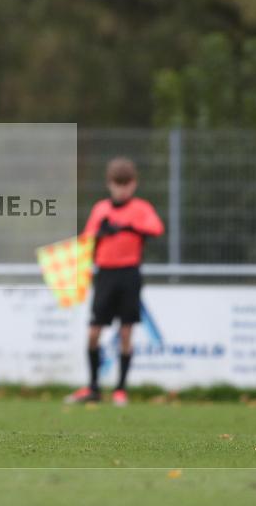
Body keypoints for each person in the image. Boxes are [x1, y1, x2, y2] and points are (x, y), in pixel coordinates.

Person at [66, 157, 164, 406]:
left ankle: (120, 389)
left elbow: (156, 228)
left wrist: (130, 226)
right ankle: (93, 387)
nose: (122, 189)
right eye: (117, 184)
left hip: (129, 274)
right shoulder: (101, 209)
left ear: (134, 184)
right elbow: (86, 239)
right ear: (109, 184)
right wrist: (100, 233)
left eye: (126, 184)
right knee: (94, 332)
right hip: (105, 275)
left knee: (126, 332)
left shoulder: (141, 208)